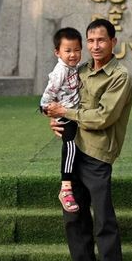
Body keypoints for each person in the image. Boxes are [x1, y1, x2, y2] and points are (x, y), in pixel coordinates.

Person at [45, 19, 132, 261]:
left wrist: (66, 111)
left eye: (102, 40)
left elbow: (103, 117)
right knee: (74, 218)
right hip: (73, 151)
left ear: (113, 42)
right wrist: (56, 119)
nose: (96, 46)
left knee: (103, 220)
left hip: (97, 156)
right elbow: (63, 101)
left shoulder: (120, 77)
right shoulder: (79, 70)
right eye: (91, 41)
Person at [39, 26, 84, 213]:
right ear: (57, 52)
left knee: (77, 148)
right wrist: (47, 109)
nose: (73, 54)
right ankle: (65, 188)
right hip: (66, 115)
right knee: (71, 146)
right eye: (68, 51)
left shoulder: (73, 68)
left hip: (74, 113)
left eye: (76, 50)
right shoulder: (60, 71)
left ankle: (74, 182)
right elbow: (49, 93)